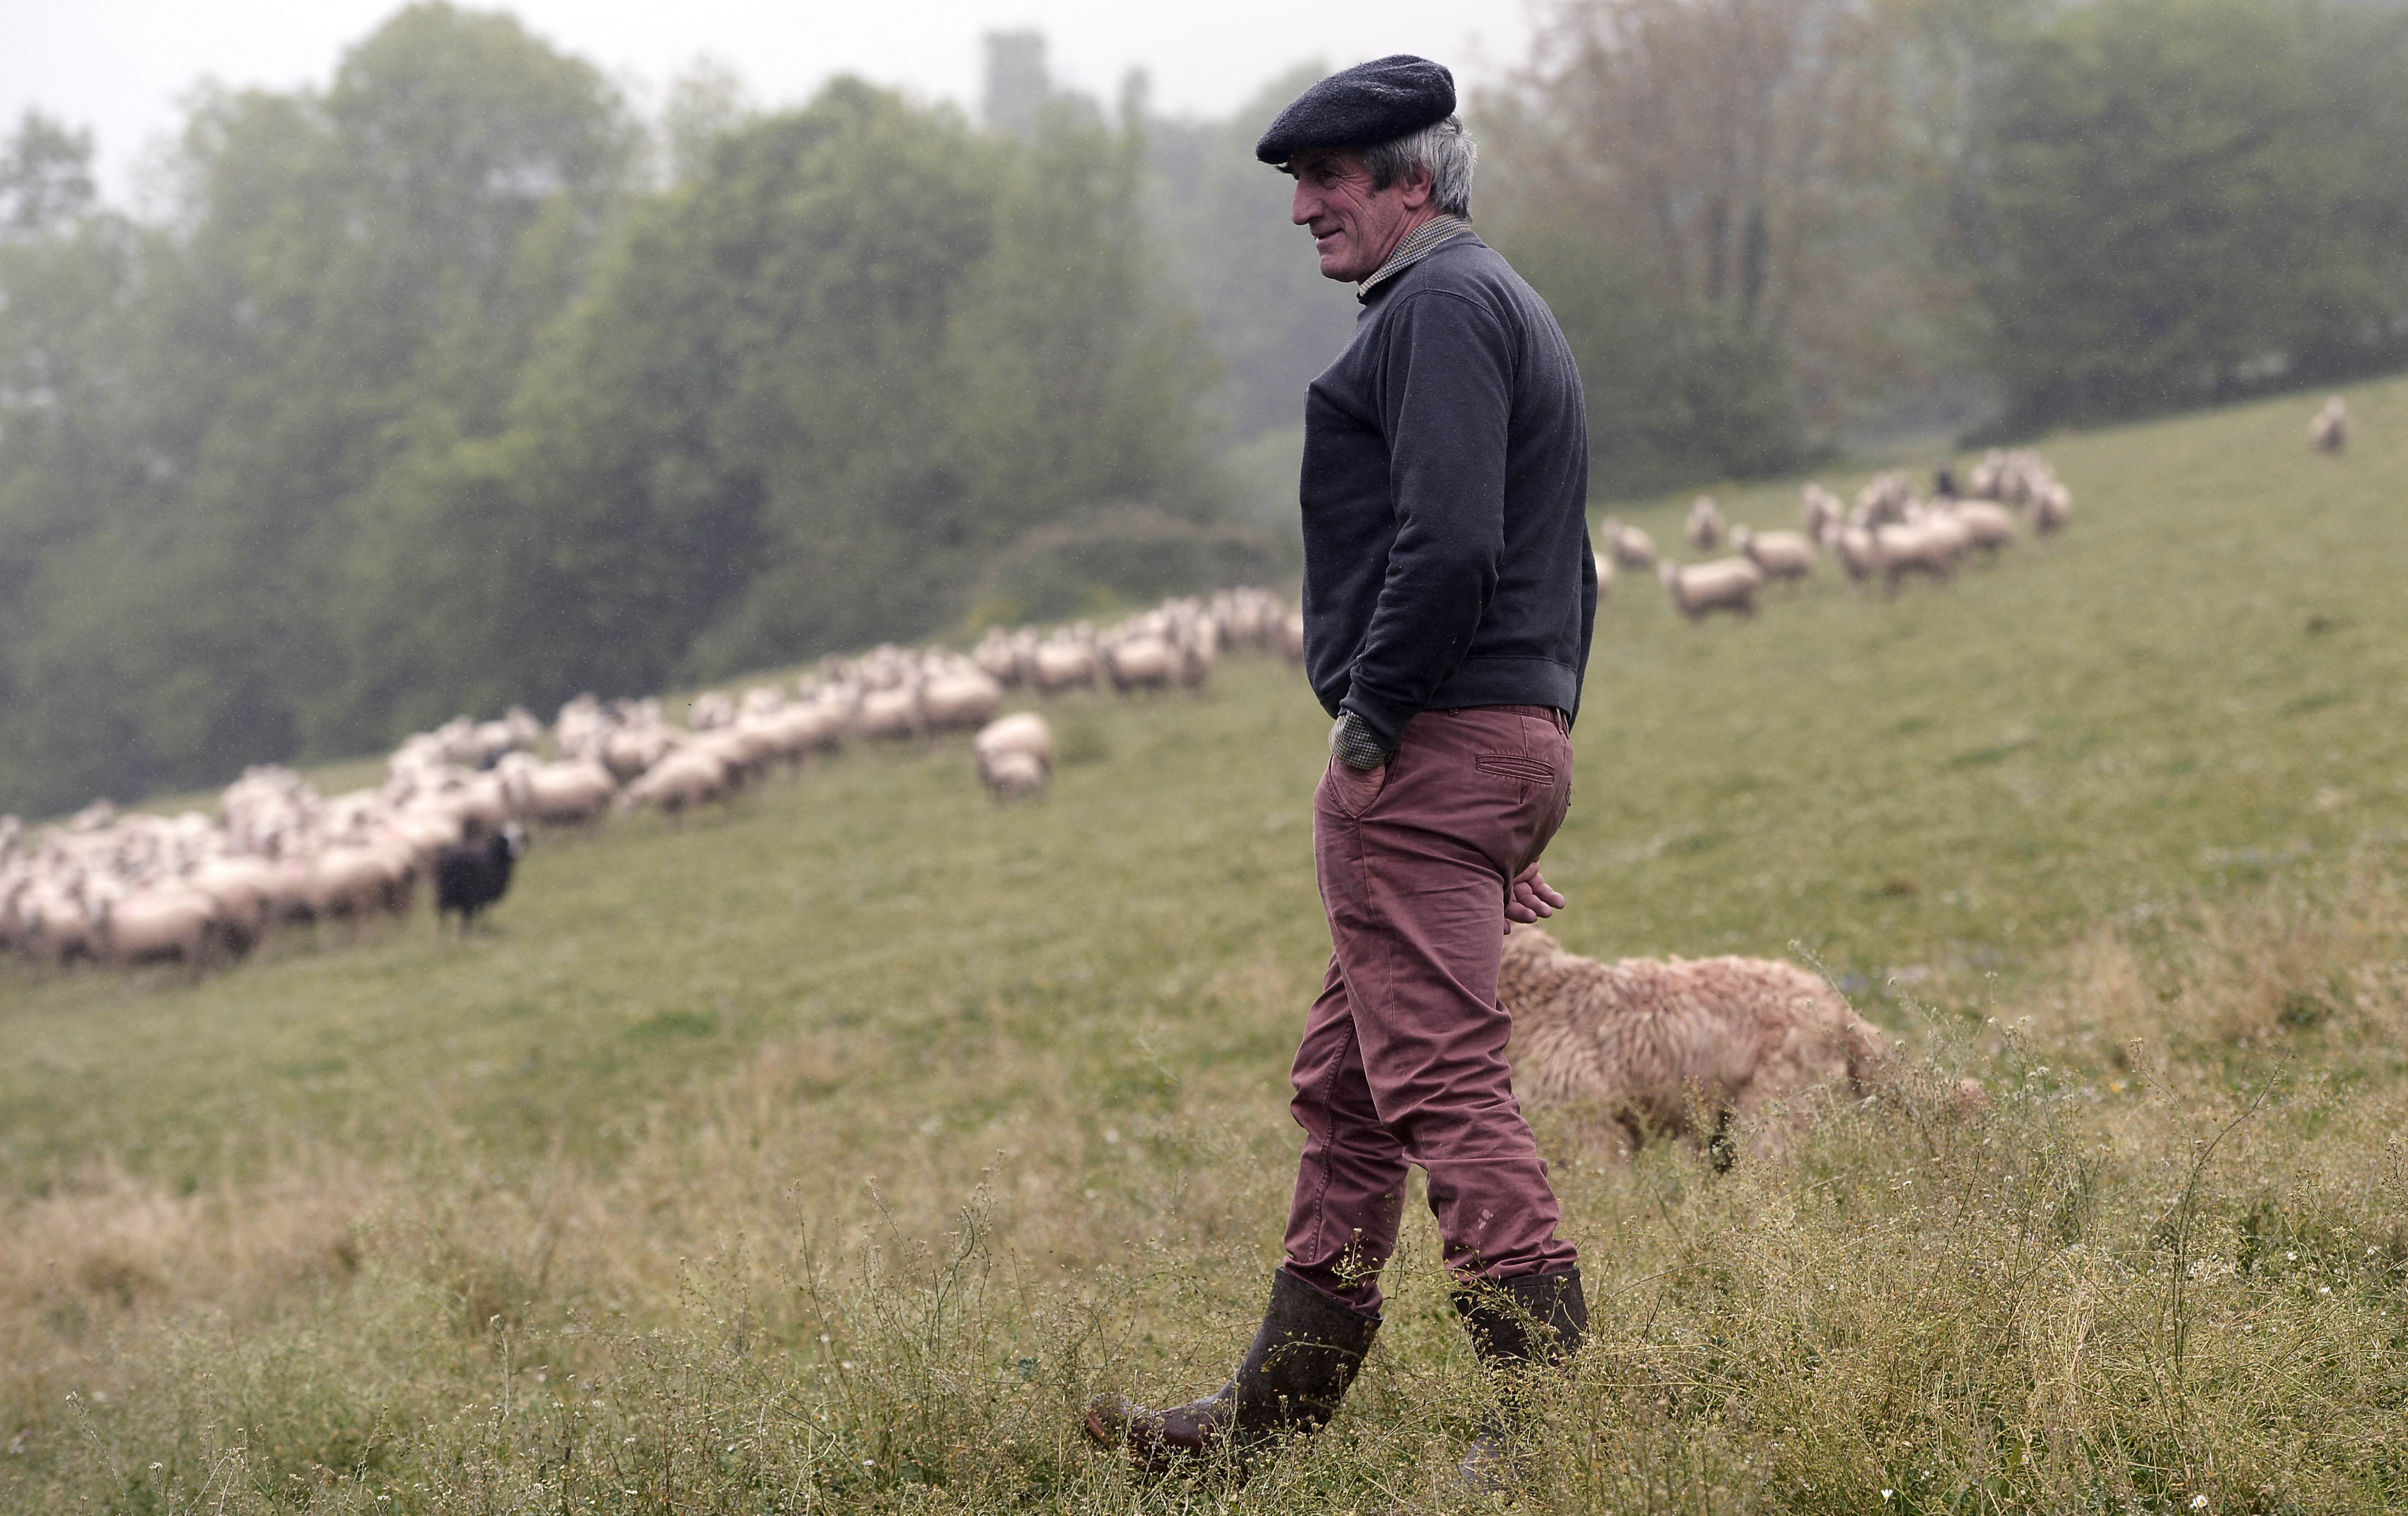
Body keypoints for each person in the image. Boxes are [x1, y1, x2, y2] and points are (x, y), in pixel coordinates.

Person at [1084, 55, 1597, 1485]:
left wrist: (1378, 722)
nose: (1303, 207)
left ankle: (1544, 1430)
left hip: (1428, 747)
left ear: (1409, 181)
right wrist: (1525, 758)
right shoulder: (1492, 301)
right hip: (1490, 739)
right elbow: (1564, 554)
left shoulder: (1437, 308)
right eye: (1299, 183)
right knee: (1350, 1084)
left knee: (1434, 1077)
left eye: (1328, 179)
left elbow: (1451, 541)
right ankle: (1268, 1421)